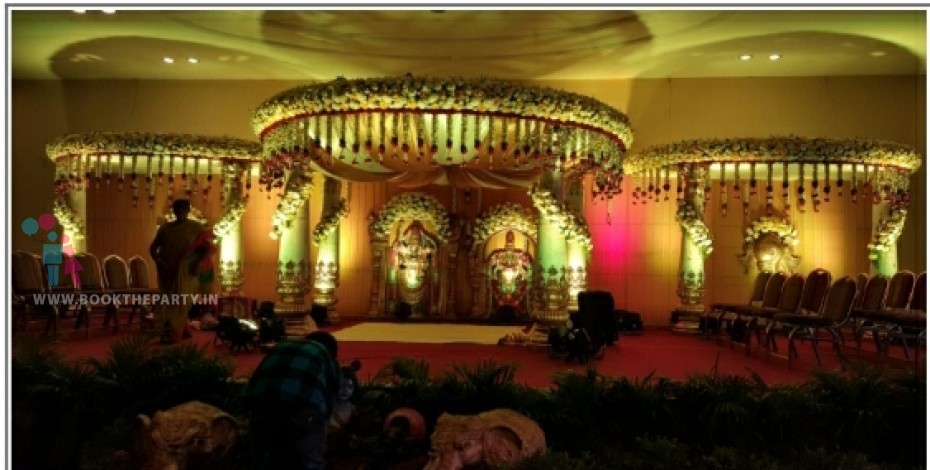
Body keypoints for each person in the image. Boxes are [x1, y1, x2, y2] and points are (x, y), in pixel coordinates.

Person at [247, 331, 343, 470]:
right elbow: (334, 389)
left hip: (263, 407)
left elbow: (253, 383)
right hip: (303, 409)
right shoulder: (325, 354)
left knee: (264, 459)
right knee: (310, 461)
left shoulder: (281, 346)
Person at [149, 198, 215, 344]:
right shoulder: (165, 228)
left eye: (182, 209)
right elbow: (153, 249)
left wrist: (200, 263)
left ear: (187, 210)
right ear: (173, 210)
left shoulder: (197, 227)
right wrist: (159, 262)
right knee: (170, 301)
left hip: (187, 271)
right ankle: (181, 328)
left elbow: (208, 248)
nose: (179, 212)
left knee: (181, 300)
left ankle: (173, 332)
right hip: (167, 271)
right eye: (176, 209)